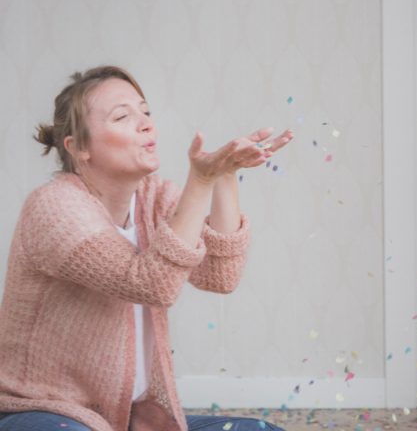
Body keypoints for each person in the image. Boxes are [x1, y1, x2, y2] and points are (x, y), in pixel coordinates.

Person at [0, 66, 293, 431]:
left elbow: (221, 275)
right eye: (123, 116)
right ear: (79, 148)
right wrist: (200, 181)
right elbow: (152, 284)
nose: (145, 124)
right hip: (43, 412)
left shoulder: (153, 198)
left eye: (146, 112)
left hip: (125, 413)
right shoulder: (53, 207)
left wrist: (224, 176)